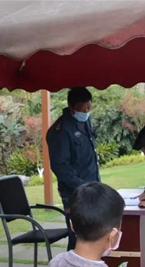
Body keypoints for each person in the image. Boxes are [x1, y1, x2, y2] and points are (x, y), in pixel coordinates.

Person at [47, 87, 100, 251]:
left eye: (88, 108)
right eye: (82, 109)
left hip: (92, 187)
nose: (86, 112)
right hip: (75, 193)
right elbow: (60, 166)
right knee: (77, 236)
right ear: (71, 107)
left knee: (93, 234)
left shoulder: (84, 121)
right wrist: (83, 188)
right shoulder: (60, 131)